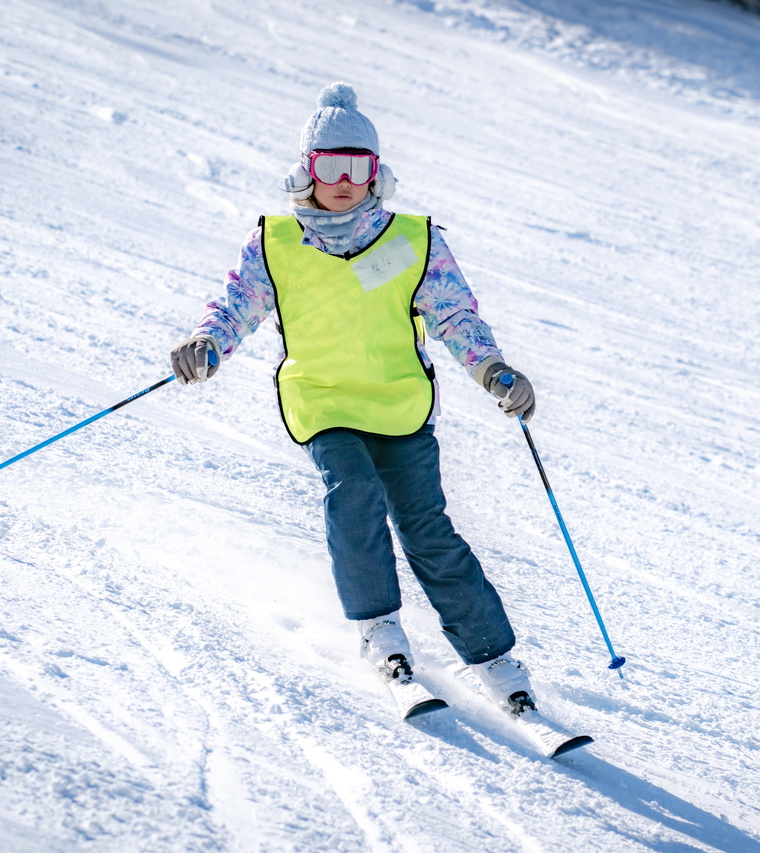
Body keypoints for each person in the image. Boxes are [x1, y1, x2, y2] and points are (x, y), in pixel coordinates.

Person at [170, 82, 540, 717]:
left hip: (399, 404)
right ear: (306, 171)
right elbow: (239, 304)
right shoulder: (276, 242)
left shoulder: (412, 240)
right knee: (354, 497)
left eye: (357, 166)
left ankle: (493, 658)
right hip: (321, 401)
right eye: (329, 166)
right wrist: (208, 343)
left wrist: (493, 370)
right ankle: (381, 631)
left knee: (428, 529)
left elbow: (454, 315)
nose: (343, 181)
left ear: (377, 173)